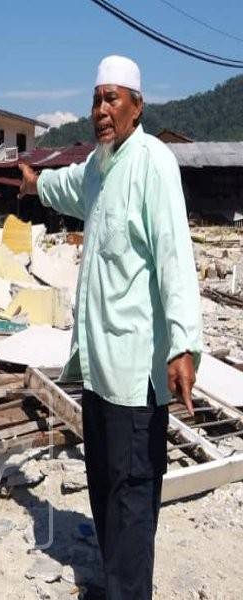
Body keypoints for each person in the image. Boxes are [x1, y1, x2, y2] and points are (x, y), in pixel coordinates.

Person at [18, 55, 202, 599]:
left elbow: (174, 257)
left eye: (113, 98)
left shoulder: (153, 164)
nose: (101, 109)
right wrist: (33, 185)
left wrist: (184, 345)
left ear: (137, 106)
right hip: (97, 371)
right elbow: (65, 187)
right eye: (97, 98)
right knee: (103, 493)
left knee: (132, 502)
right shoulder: (100, 166)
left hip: (134, 376)